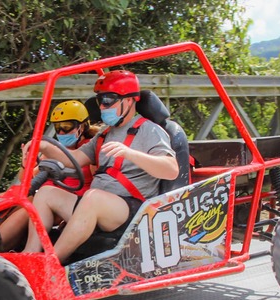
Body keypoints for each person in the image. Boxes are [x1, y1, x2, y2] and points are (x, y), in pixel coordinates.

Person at [22, 70, 180, 263]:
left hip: (132, 210)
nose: (103, 106)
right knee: (46, 193)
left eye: (109, 100)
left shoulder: (150, 130)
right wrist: (44, 145)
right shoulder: (105, 134)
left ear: (129, 101)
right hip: (97, 206)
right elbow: (76, 158)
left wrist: (131, 154)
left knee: (92, 198)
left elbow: (171, 169)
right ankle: (29, 257)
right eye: (100, 100)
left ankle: (50, 264)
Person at [0, 100, 97, 251]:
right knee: (12, 199)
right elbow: (27, 181)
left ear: (82, 126)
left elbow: (98, 183)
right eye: (58, 127)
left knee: (27, 210)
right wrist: (26, 164)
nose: (61, 133)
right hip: (45, 198)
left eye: (66, 127)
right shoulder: (54, 150)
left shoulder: (88, 150)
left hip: (67, 202)